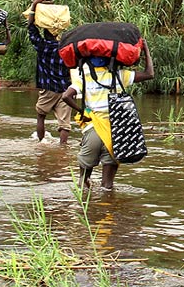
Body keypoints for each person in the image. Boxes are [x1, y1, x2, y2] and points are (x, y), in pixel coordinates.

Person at [62, 40, 154, 190]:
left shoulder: (83, 77)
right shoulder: (120, 76)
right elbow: (149, 74)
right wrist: (146, 51)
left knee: (82, 184)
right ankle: (107, 210)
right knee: (107, 187)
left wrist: (82, 112)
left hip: (92, 130)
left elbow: (66, 96)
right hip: (115, 133)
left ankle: (84, 210)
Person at [27, 0, 72, 145]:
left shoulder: (42, 46)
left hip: (48, 88)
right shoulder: (66, 48)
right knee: (64, 123)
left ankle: (41, 144)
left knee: (41, 115)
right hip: (66, 89)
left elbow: (31, 29)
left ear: (45, 33)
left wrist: (34, 5)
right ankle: (63, 148)